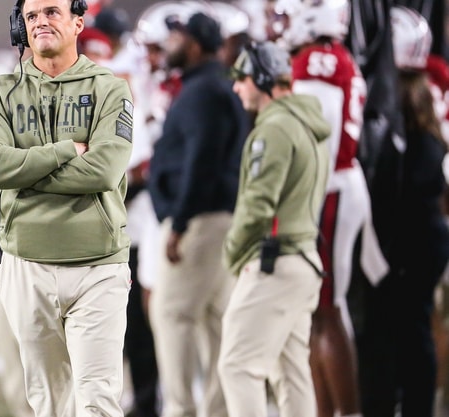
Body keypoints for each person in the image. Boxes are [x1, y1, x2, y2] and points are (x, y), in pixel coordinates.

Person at [0, 0, 134, 415]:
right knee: (48, 403)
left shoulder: (109, 87)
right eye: (31, 16)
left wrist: (23, 172)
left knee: (98, 399)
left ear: (78, 21)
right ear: (20, 27)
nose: (40, 21)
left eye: (52, 11)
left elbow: (102, 172)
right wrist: (64, 151)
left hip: (98, 266)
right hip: (27, 264)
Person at [274, 1, 388, 415]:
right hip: (331, 188)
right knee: (317, 309)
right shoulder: (325, 58)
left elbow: (311, 141)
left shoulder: (318, 61)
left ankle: (348, 411)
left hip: (328, 189)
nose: (280, 23)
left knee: (327, 307)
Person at [218, 40, 330, 417]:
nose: (236, 87)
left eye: (242, 78)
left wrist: (232, 251)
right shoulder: (305, 125)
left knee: (238, 366)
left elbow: (257, 206)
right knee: (290, 370)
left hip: (276, 261)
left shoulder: (276, 128)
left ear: (263, 79)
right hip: (302, 260)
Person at [146, 11, 247, 417]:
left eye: (176, 37)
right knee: (214, 321)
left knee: (172, 314)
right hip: (216, 217)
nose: (169, 44)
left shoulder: (204, 90)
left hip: (201, 220)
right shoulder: (212, 85)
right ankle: (218, 411)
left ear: (194, 44)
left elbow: (201, 160)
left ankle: (181, 410)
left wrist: (181, 222)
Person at [356, 7, 449, 416]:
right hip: (416, 235)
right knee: (399, 331)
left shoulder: (409, 113)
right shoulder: (419, 105)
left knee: (410, 332)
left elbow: (418, 183)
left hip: (414, 238)